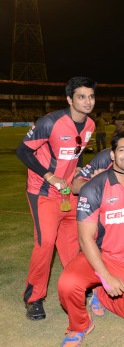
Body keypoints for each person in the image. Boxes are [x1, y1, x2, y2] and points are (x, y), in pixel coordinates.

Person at [57, 132, 124, 346]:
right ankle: (80, 325)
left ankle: (101, 296)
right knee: (67, 284)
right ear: (112, 155)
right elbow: (85, 239)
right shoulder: (94, 186)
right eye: (122, 150)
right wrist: (106, 276)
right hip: (98, 255)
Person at [16, 76, 96, 321]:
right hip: (42, 193)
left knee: (73, 246)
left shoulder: (90, 124)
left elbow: (76, 153)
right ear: (69, 99)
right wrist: (49, 176)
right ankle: (34, 298)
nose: (87, 101)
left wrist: (79, 175)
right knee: (45, 244)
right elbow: (23, 151)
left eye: (91, 96)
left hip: (68, 195)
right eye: (81, 96)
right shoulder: (50, 122)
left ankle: (75, 287)